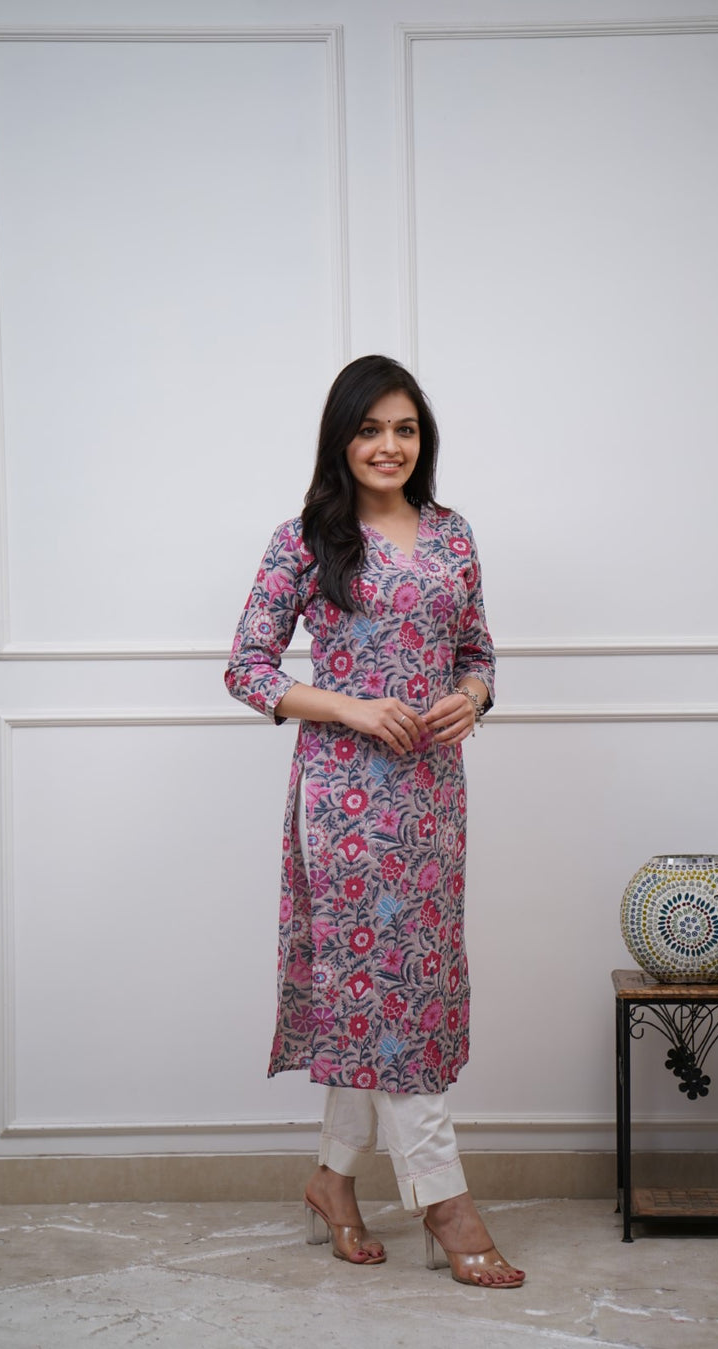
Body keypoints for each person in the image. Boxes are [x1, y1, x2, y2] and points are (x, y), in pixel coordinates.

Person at [225, 355, 524, 1288]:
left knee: (398, 987)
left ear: (421, 439)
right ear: (341, 440)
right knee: (389, 996)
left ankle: (332, 1178)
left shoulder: (453, 534)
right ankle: (446, 1201)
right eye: (369, 430)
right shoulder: (304, 540)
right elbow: (247, 667)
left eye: (404, 428)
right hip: (345, 802)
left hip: (432, 798)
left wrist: (473, 695)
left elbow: (478, 650)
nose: (388, 446)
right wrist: (350, 706)